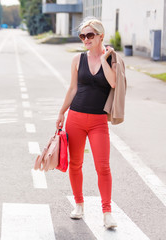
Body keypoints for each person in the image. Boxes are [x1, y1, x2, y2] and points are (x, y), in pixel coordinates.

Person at [56, 17, 121, 229]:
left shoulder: (112, 59)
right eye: (82, 35)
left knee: (103, 166)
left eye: (90, 35)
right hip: (75, 117)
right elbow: (73, 88)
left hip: (98, 121)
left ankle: (107, 212)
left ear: (101, 36)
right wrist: (62, 112)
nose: (86, 39)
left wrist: (103, 60)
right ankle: (79, 204)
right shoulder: (77, 60)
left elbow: (112, 83)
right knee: (75, 164)